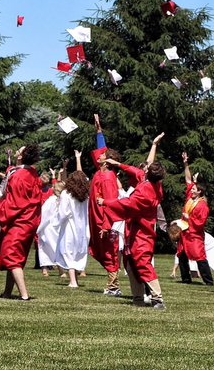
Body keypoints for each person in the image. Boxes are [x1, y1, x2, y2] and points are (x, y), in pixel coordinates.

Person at [101, 133, 167, 309]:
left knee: (142, 264)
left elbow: (126, 205)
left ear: (147, 174)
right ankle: (138, 298)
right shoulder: (153, 184)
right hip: (135, 232)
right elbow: (135, 171)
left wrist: (105, 202)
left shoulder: (145, 192)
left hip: (141, 233)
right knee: (131, 265)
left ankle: (157, 298)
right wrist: (118, 165)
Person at [0, 145, 44, 301]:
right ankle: (7, 292)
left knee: (12, 255)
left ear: (20, 157)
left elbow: (15, 202)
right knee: (15, 256)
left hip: (20, 221)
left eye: (20, 150)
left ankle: (24, 295)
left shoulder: (20, 176)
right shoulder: (32, 173)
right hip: (30, 220)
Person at [88, 115, 124, 296]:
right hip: (97, 219)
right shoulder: (100, 172)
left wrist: (106, 225)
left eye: (103, 155)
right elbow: (101, 147)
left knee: (110, 253)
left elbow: (111, 205)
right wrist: (99, 130)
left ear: (108, 161)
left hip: (105, 222)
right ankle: (112, 285)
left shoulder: (109, 177)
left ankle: (113, 286)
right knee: (103, 252)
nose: (100, 154)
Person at [56, 151, 90, 289]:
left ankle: (73, 282)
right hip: (82, 227)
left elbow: (63, 213)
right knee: (77, 253)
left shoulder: (66, 194)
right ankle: (75, 278)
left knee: (68, 252)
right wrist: (78, 159)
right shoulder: (85, 196)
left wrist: (57, 222)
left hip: (69, 227)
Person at [176, 152, 212, 285]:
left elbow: (201, 223)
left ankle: (209, 281)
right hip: (185, 233)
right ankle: (186, 279)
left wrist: (188, 218)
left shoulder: (202, 206)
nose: (191, 190)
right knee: (181, 255)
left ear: (200, 192)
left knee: (200, 257)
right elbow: (188, 180)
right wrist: (185, 163)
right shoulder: (189, 199)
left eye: (194, 189)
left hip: (194, 234)